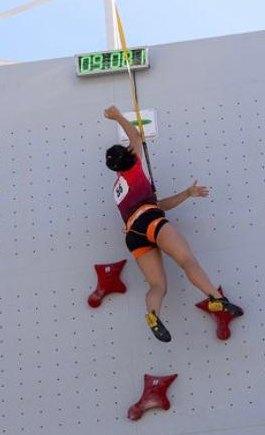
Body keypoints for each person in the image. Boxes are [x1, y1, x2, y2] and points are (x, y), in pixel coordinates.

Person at [102, 105, 243, 342]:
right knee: (187, 260)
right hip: (149, 220)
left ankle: (153, 314)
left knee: (158, 285)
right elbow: (135, 136)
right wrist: (117, 117)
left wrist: (186, 193)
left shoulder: (118, 190)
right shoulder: (135, 167)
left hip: (133, 234)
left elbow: (160, 206)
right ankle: (215, 298)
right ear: (128, 156)